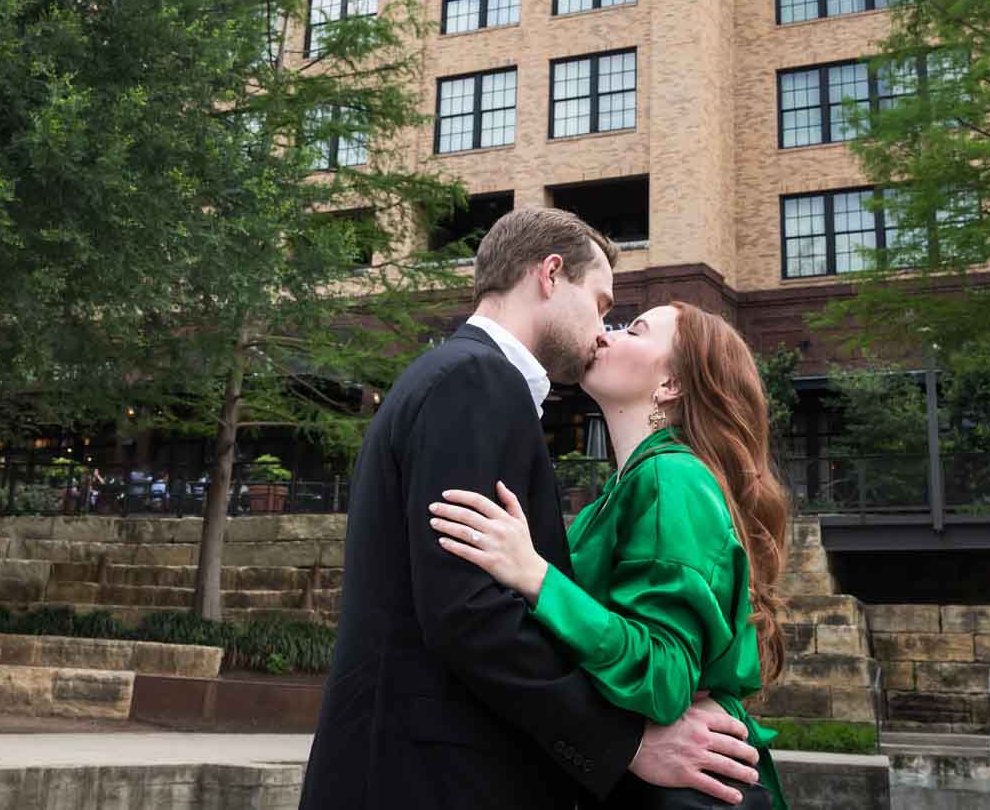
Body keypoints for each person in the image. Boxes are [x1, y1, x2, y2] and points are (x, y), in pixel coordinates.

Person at [299, 208, 764, 810]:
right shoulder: (475, 380)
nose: (603, 330)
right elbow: (469, 611)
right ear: (550, 274)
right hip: (429, 777)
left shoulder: (460, 378)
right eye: (601, 305)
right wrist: (622, 744)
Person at [428, 300, 790, 809]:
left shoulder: (672, 479)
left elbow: (665, 677)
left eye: (634, 331)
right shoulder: (623, 490)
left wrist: (535, 574)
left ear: (670, 385)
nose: (606, 335)